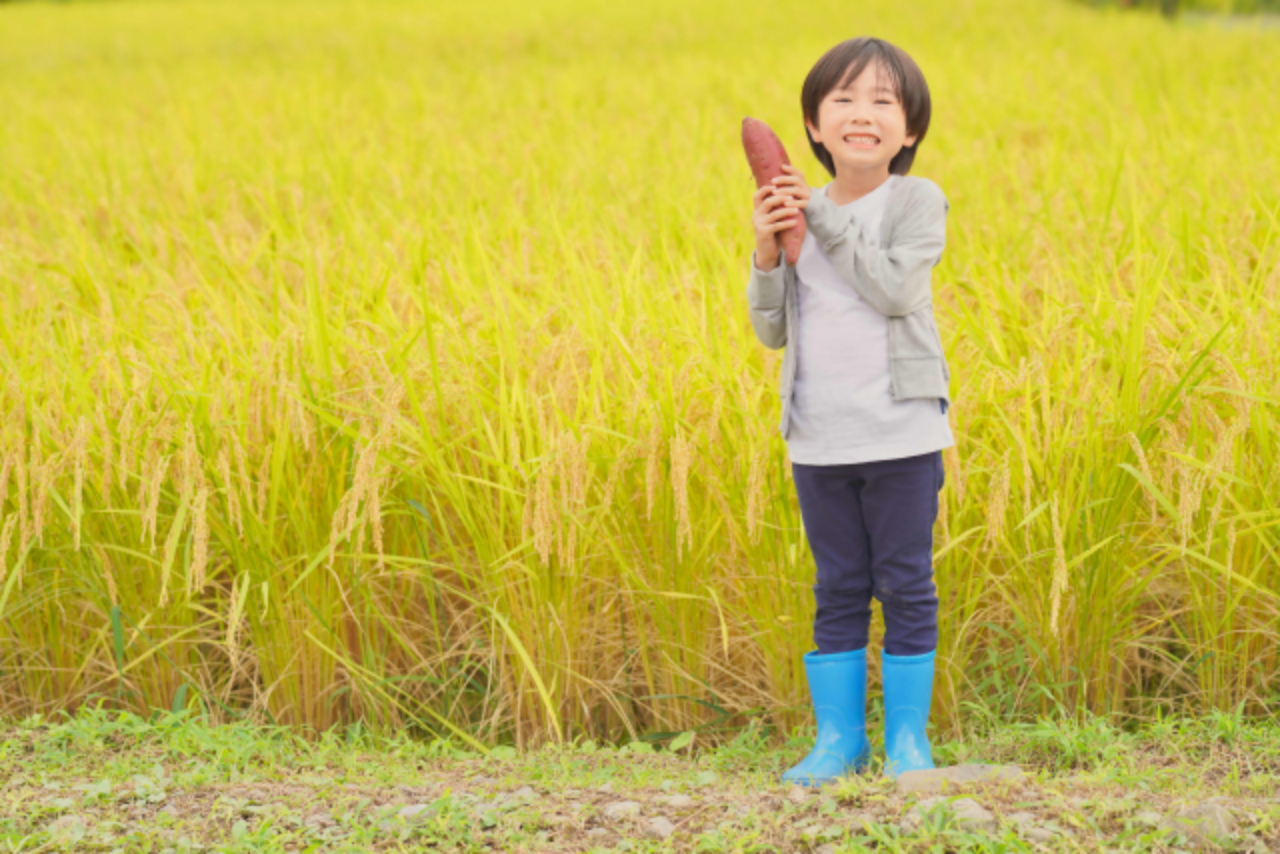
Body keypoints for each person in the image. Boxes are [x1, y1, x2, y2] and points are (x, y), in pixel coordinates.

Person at [745, 36, 953, 785]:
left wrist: (819, 223)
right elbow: (772, 330)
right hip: (819, 435)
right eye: (843, 99)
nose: (861, 114)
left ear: (910, 130)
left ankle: (908, 745)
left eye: (883, 101)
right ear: (812, 124)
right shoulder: (796, 209)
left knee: (904, 580)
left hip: (900, 432)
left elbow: (895, 289)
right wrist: (768, 253)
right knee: (836, 586)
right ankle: (839, 743)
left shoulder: (915, 201)